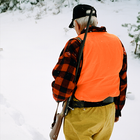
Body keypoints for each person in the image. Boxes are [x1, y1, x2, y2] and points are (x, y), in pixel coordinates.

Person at [51, 4, 127, 140]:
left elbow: (61, 89)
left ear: (77, 24)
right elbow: (122, 80)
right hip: (108, 112)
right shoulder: (117, 42)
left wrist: (58, 96)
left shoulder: (76, 43)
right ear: (96, 22)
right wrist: (117, 110)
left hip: (81, 113)